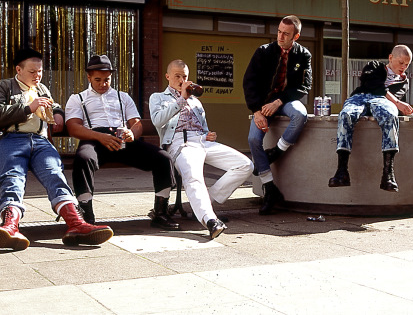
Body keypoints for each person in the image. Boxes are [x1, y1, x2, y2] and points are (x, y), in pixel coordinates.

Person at [0, 48, 113, 251]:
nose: (37, 76)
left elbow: (54, 104)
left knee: (54, 174)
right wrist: (28, 108)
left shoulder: (42, 88)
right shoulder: (3, 86)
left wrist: (59, 113)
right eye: (32, 72)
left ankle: (76, 224)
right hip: (9, 139)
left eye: (40, 71)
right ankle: (10, 226)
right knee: (13, 176)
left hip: (40, 141)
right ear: (18, 69)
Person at [65, 55, 179, 230]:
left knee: (163, 158)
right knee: (83, 158)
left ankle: (160, 213)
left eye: (107, 80)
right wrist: (98, 136)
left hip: (121, 139)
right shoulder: (78, 98)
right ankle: (86, 216)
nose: (103, 84)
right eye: (98, 80)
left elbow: (136, 123)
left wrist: (132, 134)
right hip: (94, 139)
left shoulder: (122, 97)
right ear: (88, 77)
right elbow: (73, 127)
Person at [149, 59, 254, 239]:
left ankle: (205, 201)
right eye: (177, 76)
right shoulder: (158, 97)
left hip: (203, 142)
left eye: (185, 76)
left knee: (245, 165)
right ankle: (210, 219)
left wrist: (208, 135)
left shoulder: (196, 101)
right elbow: (158, 121)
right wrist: (181, 98)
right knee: (194, 177)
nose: (182, 80)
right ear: (168, 77)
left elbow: (203, 128)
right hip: (181, 144)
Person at [243, 15, 312, 215]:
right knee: (253, 139)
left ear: (296, 36)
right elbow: (249, 83)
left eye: (286, 34)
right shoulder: (264, 51)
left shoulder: (303, 55)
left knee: (300, 114)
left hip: (284, 101)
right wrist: (257, 111)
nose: (281, 36)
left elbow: (304, 85)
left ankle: (276, 152)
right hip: (262, 104)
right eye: (279, 31)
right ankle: (269, 188)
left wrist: (279, 101)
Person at [328, 45, 413, 192]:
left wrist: (406, 110)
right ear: (390, 57)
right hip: (361, 96)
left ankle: (388, 174)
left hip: (382, 102)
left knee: (390, 115)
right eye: (401, 62)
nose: (404, 67)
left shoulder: (403, 81)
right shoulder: (374, 65)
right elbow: (372, 85)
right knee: (346, 114)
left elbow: (395, 101)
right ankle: (341, 171)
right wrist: (398, 103)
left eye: (407, 64)